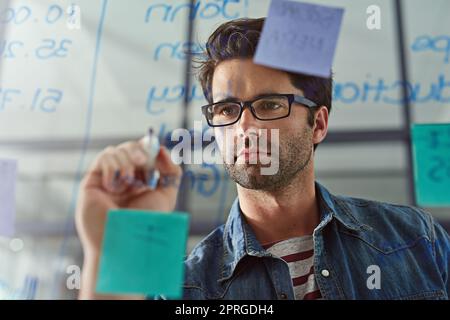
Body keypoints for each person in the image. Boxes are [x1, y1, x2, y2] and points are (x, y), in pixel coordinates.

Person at [75, 18, 450, 300]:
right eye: (226, 109)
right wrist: (117, 250)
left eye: (269, 104)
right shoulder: (188, 286)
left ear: (317, 124)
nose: (246, 126)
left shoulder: (415, 239)